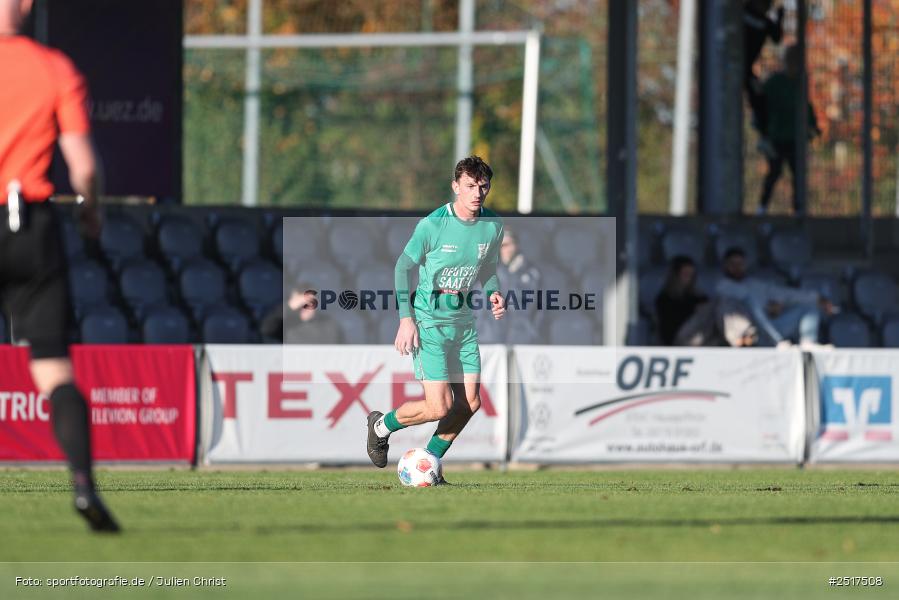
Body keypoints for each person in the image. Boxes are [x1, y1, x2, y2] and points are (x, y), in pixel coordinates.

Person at [0, 0, 118, 530]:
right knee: (53, 369)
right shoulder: (54, 68)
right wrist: (91, 213)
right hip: (30, 226)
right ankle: (83, 488)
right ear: (25, 5)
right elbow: (84, 167)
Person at [365, 156, 505, 481]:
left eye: (483, 186)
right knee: (438, 407)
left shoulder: (493, 225)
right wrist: (405, 319)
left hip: (463, 325)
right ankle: (380, 426)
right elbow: (402, 267)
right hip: (430, 324)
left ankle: (428, 463)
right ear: (456, 186)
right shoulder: (433, 225)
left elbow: (487, 266)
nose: (477, 192)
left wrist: (494, 290)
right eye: (470, 185)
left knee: (469, 403)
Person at [715, 247, 833, 346]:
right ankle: (778, 341)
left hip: (772, 327)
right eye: (733, 264)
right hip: (749, 335)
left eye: (740, 264)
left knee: (809, 307)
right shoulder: (722, 287)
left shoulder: (755, 285)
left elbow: (787, 294)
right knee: (751, 302)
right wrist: (768, 307)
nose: (737, 267)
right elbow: (748, 301)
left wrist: (818, 298)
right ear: (725, 266)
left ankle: (808, 343)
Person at [758, 44, 821, 215]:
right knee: (774, 172)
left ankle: (798, 210)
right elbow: (760, 106)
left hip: (796, 137)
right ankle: (762, 207)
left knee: (798, 174)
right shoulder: (775, 83)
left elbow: (806, 106)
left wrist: (813, 125)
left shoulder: (800, 82)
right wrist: (762, 131)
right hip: (777, 136)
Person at [743, 0, 784, 146]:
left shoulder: (765, 22)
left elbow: (777, 38)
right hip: (737, 67)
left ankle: (765, 135)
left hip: (746, 71)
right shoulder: (743, 12)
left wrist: (780, 17)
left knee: (760, 99)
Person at [260, 283, 344, 344]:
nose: (304, 308)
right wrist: (288, 307)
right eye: (300, 304)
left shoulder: (329, 324)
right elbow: (266, 329)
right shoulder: (285, 324)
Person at [655, 256, 708, 346]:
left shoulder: (699, 297)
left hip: (699, 338)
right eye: (685, 273)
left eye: (691, 274)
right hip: (677, 341)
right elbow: (668, 327)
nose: (689, 278)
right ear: (676, 275)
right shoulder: (664, 299)